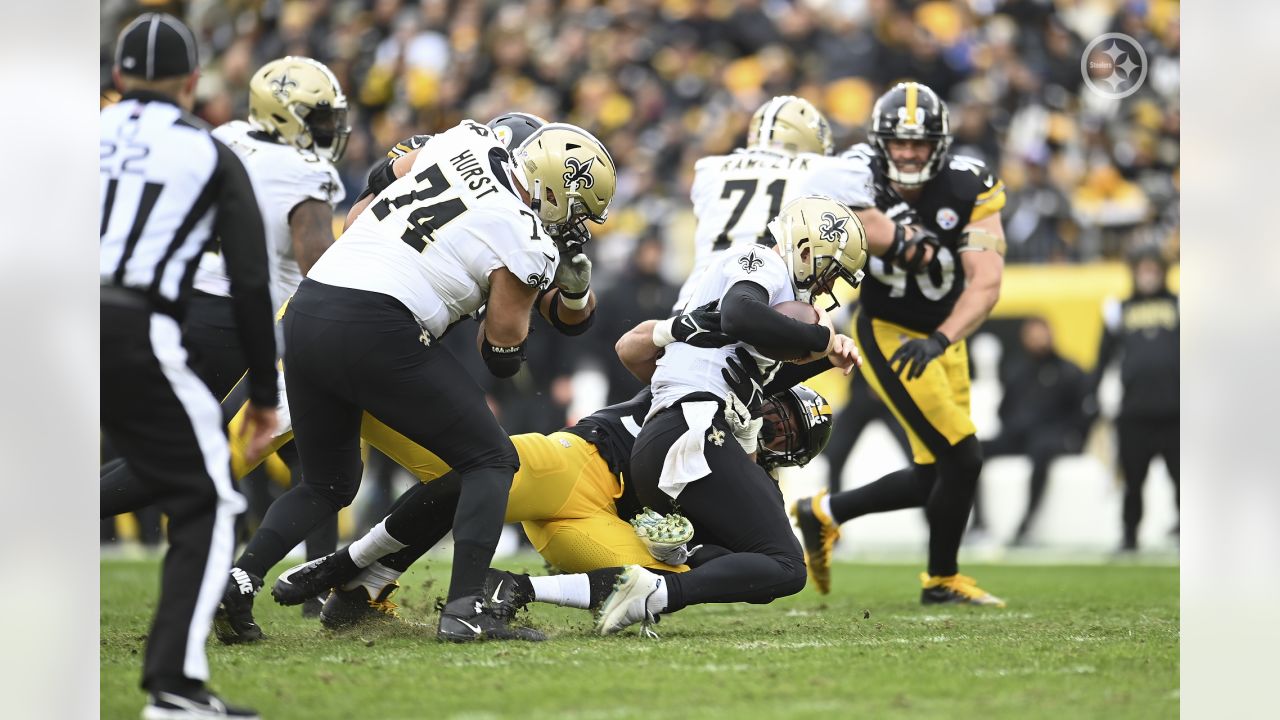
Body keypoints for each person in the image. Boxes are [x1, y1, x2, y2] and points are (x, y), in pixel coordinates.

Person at [222, 118, 615, 643]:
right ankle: (465, 611)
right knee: (493, 459)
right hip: (377, 325)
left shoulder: (466, 140)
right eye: (578, 211)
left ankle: (238, 583)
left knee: (328, 482)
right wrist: (514, 288)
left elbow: (380, 183)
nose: (577, 225)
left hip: (312, 305)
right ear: (555, 190)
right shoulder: (525, 237)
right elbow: (501, 354)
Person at [266, 378, 834, 629]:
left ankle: (512, 588)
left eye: (787, 440)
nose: (773, 436)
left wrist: (689, 545)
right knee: (473, 471)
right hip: (577, 463)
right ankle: (351, 568)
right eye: (778, 419)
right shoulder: (712, 396)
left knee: (649, 582)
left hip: (594, 523)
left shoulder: (746, 485)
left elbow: (731, 562)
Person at [101, 55, 350, 616]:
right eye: (319, 118)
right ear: (286, 115)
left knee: (322, 461)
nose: (329, 130)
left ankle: (319, 590)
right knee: (184, 460)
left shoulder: (226, 137)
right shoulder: (304, 173)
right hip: (240, 326)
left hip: (178, 305)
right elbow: (323, 268)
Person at [577, 195, 868, 636]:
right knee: (787, 564)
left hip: (676, 440)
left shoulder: (761, 311)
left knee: (762, 569)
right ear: (806, 251)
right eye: (829, 273)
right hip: (688, 430)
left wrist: (827, 357)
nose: (828, 289)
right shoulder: (758, 261)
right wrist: (822, 337)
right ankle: (654, 592)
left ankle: (622, 582)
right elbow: (739, 313)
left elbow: (751, 362)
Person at [100, 13, 277, 719]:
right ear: (192, 83)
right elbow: (252, 283)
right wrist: (264, 393)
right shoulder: (207, 153)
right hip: (127, 321)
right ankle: (174, 689)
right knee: (208, 502)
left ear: (117, 77)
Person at [793, 82, 1009, 606]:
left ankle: (824, 513)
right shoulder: (854, 173)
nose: (909, 153)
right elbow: (827, 216)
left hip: (944, 334)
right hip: (888, 329)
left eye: (920, 143)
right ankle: (940, 580)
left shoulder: (970, 183)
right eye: (899, 142)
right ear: (880, 142)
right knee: (963, 457)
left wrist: (943, 338)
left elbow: (986, 281)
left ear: (940, 143)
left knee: (935, 472)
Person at [1094, 246, 1179, 552]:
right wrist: (1092, 396)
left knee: (1183, 477)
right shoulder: (1118, 309)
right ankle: (1130, 534)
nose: (1148, 275)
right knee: (1133, 479)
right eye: (1142, 269)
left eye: (1153, 269)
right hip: (1134, 410)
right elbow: (1102, 358)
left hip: (1177, 409)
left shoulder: (1180, 304)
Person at [978, 317, 1090, 545]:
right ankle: (978, 524)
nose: (1038, 340)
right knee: (972, 450)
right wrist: (1014, 426)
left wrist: (1073, 436)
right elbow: (1004, 409)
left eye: (1042, 334)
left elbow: (1083, 412)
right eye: (1033, 336)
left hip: (1052, 437)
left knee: (1041, 449)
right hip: (1019, 436)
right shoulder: (1017, 371)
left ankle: (1026, 526)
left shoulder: (1068, 371)